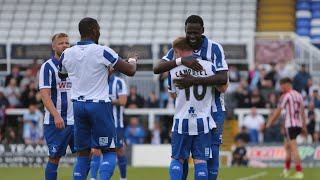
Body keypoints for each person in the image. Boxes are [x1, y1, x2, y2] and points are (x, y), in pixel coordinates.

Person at [59, 17, 137, 180]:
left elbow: (63, 74)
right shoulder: (103, 51)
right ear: (94, 30)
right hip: (99, 106)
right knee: (109, 151)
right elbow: (130, 70)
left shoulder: (67, 53)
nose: (100, 31)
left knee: (83, 155)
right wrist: (132, 60)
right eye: (99, 29)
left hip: (78, 106)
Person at [153, 15, 228, 180]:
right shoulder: (178, 50)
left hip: (213, 108)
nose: (192, 36)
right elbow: (157, 67)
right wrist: (181, 60)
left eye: (196, 32)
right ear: (185, 31)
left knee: (212, 152)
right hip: (193, 110)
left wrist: (194, 80)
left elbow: (224, 80)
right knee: (195, 157)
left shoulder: (215, 48)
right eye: (189, 32)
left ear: (203, 31)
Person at [167, 36, 218, 180]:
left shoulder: (173, 69)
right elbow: (221, 86)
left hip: (182, 120)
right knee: (200, 161)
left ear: (178, 52)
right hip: (203, 120)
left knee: (177, 159)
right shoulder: (209, 66)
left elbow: (172, 95)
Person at [39, 33, 75, 180]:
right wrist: (56, 115)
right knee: (54, 158)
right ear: (53, 46)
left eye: (67, 43)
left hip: (77, 120)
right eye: (61, 43)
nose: (65, 45)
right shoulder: (47, 67)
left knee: (88, 154)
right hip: (57, 122)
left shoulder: (75, 65)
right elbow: (45, 95)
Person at [90, 66, 129, 180]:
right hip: (99, 123)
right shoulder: (97, 81)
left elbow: (123, 101)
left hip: (116, 124)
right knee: (97, 150)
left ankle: (123, 177)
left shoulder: (119, 82)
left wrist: (106, 100)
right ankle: (93, 178)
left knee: (119, 150)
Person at [266, 77, 307, 179]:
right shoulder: (299, 95)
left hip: (290, 125)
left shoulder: (286, 96)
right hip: (298, 124)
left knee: (293, 148)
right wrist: (304, 126)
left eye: (282, 86)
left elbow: (279, 110)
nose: (281, 88)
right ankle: (286, 170)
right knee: (287, 147)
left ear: (286, 84)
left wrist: (270, 122)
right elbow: (302, 112)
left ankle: (299, 172)